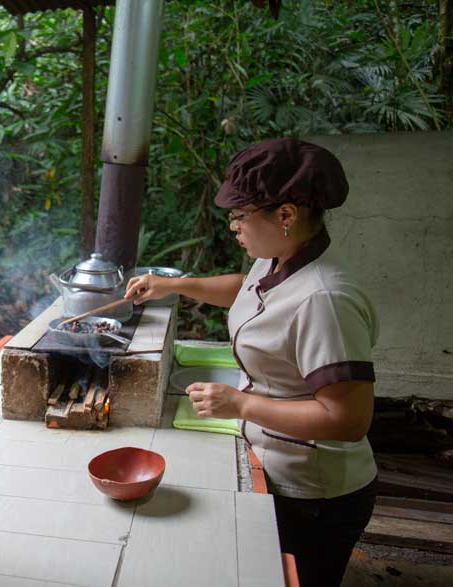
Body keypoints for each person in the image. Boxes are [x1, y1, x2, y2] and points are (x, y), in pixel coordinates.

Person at [125, 138, 378, 587]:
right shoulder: (282, 259)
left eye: (241, 216)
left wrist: (240, 405)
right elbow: (245, 288)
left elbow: (348, 418)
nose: (233, 227)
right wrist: (175, 286)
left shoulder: (325, 300)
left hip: (316, 494)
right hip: (280, 465)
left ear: (286, 214)